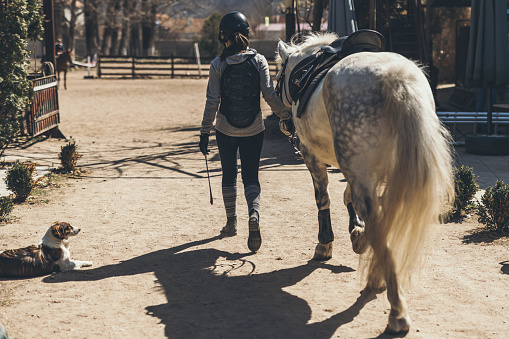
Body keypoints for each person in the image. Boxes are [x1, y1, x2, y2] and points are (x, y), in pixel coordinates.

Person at [199, 11, 291, 252]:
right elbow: (269, 95)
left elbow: (212, 102)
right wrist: (286, 116)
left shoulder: (218, 64)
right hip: (254, 128)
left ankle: (231, 223)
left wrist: (204, 132)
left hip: (225, 128)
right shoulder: (259, 60)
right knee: (251, 176)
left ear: (225, 37)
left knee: (229, 175)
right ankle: (254, 214)